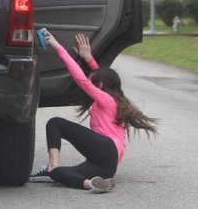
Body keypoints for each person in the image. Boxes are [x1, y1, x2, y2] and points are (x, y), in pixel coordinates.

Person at [30, 32, 158, 193]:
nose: (89, 84)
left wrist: (57, 46)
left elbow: (82, 81)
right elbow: (100, 75)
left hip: (106, 147)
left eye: (93, 82)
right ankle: (92, 184)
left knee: (55, 123)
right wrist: (88, 57)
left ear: (101, 86)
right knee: (58, 174)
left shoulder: (107, 99)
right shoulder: (114, 99)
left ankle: (51, 165)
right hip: (107, 166)